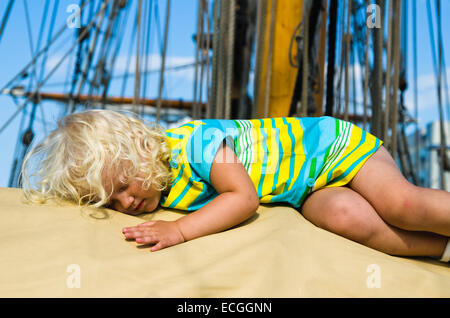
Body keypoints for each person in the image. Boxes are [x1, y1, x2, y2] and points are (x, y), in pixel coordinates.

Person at [20, 109, 450, 262]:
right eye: (111, 200)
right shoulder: (161, 190)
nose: (126, 201)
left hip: (331, 150)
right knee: (347, 219)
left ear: (138, 149)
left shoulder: (195, 143)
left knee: (402, 206)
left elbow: (242, 198)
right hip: (306, 190)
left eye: (123, 185)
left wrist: (180, 230)